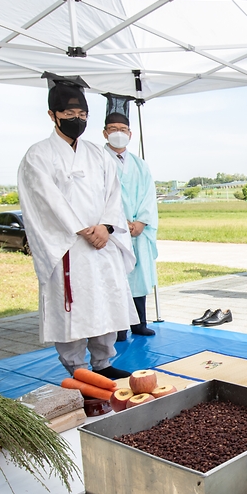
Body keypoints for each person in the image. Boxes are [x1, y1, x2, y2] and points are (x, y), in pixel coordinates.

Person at [17, 74, 137, 378]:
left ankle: (104, 363)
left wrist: (107, 227)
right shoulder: (38, 155)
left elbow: (114, 194)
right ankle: (78, 368)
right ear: (52, 115)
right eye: (69, 114)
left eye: (82, 114)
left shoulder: (99, 154)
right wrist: (83, 228)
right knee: (71, 308)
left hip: (101, 243)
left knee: (105, 301)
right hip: (68, 246)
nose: (76, 119)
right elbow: (45, 201)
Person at [101, 95, 157, 340]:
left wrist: (141, 222)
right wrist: (117, 222)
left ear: (130, 134)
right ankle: (119, 327)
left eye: (123, 129)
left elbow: (148, 196)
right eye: (113, 129)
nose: (118, 133)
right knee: (116, 280)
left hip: (138, 229)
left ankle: (140, 322)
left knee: (139, 276)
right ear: (105, 133)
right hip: (113, 230)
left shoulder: (139, 164)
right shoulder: (97, 161)